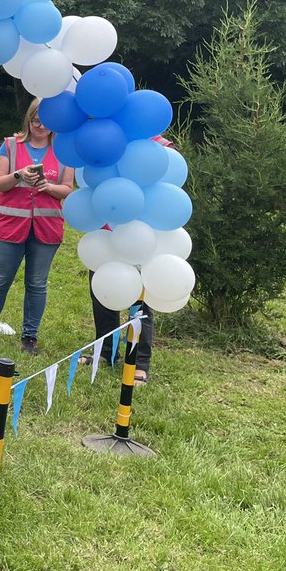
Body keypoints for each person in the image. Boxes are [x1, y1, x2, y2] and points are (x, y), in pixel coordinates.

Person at [0, 99, 74, 356]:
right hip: (9, 226)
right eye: (36, 120)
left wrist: (48, 187)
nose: (41, 126)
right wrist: (19, 174)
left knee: (37, 283)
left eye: (46, 122)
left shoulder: (64, 150)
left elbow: (67, 188)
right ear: (28, 121)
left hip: (47, 228)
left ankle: (30, 336)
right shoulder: (10, 145)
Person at [85, 135, 175, 384]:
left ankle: (139, 361)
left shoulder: (162, 146)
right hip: (107, 234)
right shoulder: (111, 138)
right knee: (103, 295)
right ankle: (105, 353)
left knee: (140, 303)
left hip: (141, 237)